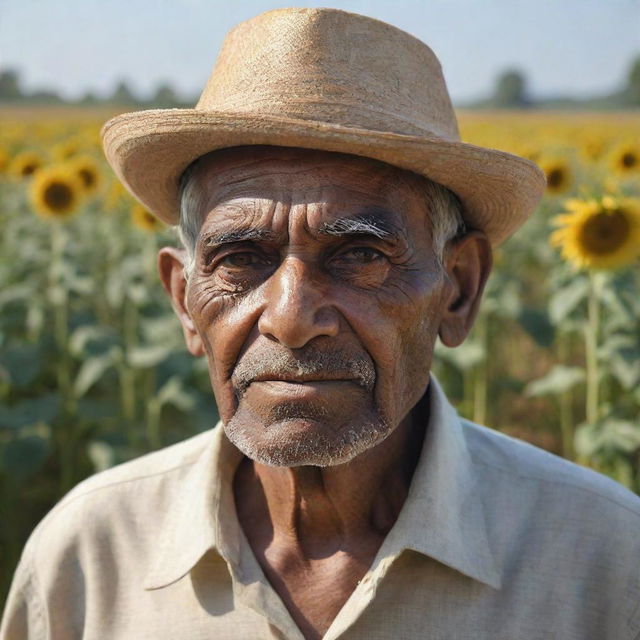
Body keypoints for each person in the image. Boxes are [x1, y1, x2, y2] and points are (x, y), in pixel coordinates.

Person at [2, 8, 639, 640]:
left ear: (460, 290)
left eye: (360, 256)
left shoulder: (605, 562)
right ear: (182, 301)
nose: (289, 319)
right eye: (240, 260)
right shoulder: (89, 557)